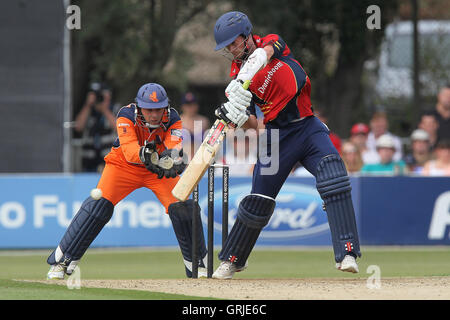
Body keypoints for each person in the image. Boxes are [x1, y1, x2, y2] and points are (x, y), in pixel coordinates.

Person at [210, 11, 361, 279]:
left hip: (308, 127)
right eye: (227, 46)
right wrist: (237, 115)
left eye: (234, 42)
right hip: (275, 138)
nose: (232, 50)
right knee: (258, 201)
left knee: (334, 176)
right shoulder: (236, 77)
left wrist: (256, 61)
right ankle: (233, 260)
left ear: (246, 36)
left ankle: (347, 252)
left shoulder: (270, 43)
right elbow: (255, 126)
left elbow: (269, 50)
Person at [47, 83, 208, 279]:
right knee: (98, 206)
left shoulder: (173, 117)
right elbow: (130, 151)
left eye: (158, 109)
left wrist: (170, 158)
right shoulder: (125, 115)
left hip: (156, 171)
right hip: (123, 167)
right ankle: (61, 261)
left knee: (183, 206)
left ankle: (198, 264)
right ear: (139, 107)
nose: (155, 115)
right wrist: (152, 156)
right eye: (149, 110)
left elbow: (172, 145)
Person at [74, 82, 117, 172]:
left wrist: (105, 109)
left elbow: (119, 128)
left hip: (109, 161)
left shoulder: (114, 109)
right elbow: (78, 127)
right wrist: (88, 105)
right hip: (89, 161)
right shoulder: (88, 110)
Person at [179, 92, 210, 159]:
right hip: (182, 161)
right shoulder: (177, 122)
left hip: (200, 160)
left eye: (193, 104)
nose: (191, 108)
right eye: (188, 105)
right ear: (183, 106)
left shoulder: (204, 121)